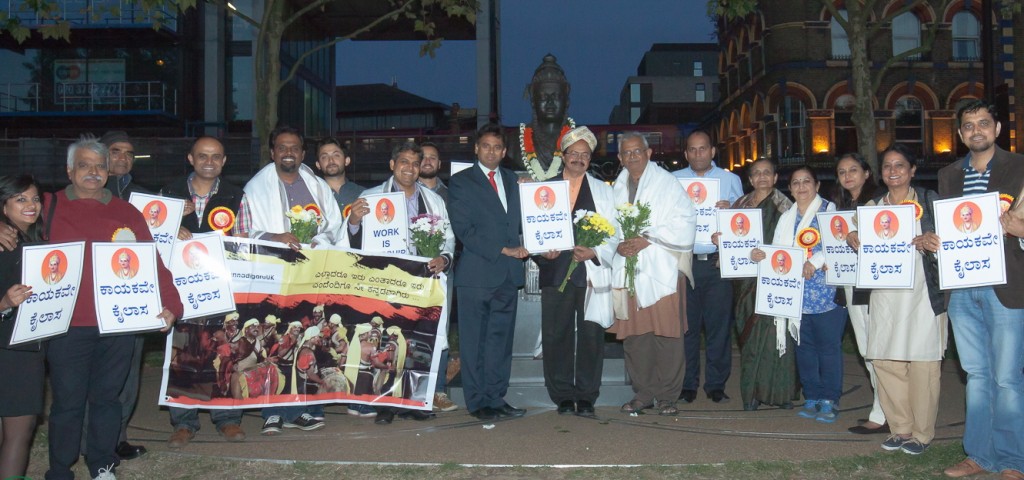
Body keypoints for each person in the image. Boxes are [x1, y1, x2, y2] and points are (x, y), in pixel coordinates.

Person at [45, 135, 181, 480]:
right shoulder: (47, 207)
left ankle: (102, 464)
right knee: (67, 403)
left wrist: (171, 303)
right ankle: (60, 469)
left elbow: (151, 261)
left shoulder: (126, 212)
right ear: (69, 170)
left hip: (118, 324)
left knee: (107, 399)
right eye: (84, 165)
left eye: (100, 166)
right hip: (67, 325)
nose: (93, 172)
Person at [933, 100, 1024, 479]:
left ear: (997, 129)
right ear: (960, 134)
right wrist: (933, 241)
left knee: (1007, 378)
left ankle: (1012, 461)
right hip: (961, 290)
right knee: (977, 376)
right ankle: (979, 455)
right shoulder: (948, 174)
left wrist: (1021, 230)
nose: (976, 131)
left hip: (1006, 288)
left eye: (983, 123)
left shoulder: (1019, 168)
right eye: (968, 126)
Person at [236, 125, 343, 434]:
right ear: (272, 152)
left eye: (294, 147)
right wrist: (275, 237)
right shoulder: (255, 189)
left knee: (310, 338)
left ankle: (307, 408)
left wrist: (317, 241)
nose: (288, 152)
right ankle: (273, 412)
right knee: (275, 344)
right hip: (273, 277)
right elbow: (241, 233)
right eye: (282, 147)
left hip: (311, 275)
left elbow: (335, 226)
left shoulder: (317, 186)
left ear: (302, 153)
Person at [337, 141, 454, 421]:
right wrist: (353, 221)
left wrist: (444, 258)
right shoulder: (371, 197)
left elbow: (448, 237)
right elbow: (350, 241)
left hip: (422, 284)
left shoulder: (434, 200)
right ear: (392, 165)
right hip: (385, 283)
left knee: (418, 344)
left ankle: (415, 402)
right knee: (388, 344)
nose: (410, 169)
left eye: (415, 163)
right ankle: (384, 404)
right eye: (404, 162)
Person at [842, 144, 946, 456]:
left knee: (922, 364)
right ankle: (900, 428)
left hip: (923, 294)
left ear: (912, 170)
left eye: (900, 165)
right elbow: (860, 241)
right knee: (885, 361)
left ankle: (922, 434)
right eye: (887, 166)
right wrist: (852, 237)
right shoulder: (873, 206)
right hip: (885, 295)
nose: (893, 171)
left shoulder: (929, 202)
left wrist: (934, 241)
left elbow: (955, 243)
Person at [161, 136, 247, 448]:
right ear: (191, 158)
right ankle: (184, 422)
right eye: (202, 156)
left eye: (215, 156)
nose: (209, 161)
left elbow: (244, 243)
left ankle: (227, 419)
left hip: (222, 289)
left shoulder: (237, 195)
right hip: (181, 290)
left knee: (224, 354)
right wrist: (170, 227)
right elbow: (151, 238)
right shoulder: (168, 193)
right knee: (183, 355)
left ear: (224, 161)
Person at [532, 126, 619, 417]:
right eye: (574, 153)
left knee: (592, 335)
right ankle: (562, 396)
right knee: (557, 335)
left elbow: (614, 232)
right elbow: (532, 229)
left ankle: (586, 395)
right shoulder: (544, 189)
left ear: (589, 158)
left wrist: (595, 252)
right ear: (563, 155)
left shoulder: (603, 192)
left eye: (585, 155)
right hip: (555, 271)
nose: (579, 159)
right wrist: (541, 249)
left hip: (591, 273)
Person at [751, 166, 846, 424]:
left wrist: (814, 262)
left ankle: (830, 398)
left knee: (828, 349)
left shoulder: (829, 210)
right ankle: (812, 396)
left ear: (816, 185)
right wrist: (761, 254)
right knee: (805, 350)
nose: (801, 187)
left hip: (826, 294)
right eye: (795, 183)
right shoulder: (787, 217)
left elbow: (834, 244)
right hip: (795, 295)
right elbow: (780, 252)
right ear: (790, 188)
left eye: (806, 181)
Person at [610, 131, 695, 416]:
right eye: (627, 153)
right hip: (630, 271)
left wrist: (649, 238)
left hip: (663, 271)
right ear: (620, 158)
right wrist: (618, 245)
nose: (633, 157)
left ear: (648, 154)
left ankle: (668, 396)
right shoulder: (617, 188)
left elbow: (685, 220)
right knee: (636, 335)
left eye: (638, 151)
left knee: (668, 334)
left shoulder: (667, 184)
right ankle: (643, 393)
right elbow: (609, 228)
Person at [448, 124, 530, 420]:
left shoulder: (514, 181)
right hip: (477, 275)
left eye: (497, 147)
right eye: (486, 146)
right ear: (476, 149)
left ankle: (496, 397)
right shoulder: (461, 182)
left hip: (508, 276)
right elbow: (464, 230)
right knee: (474, 342)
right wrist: (502, 249)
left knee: (500, 341)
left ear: (505, 152)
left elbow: (527, 222)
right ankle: (477, 401)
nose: (491, 151)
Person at [718, 159, 797, 411]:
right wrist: (718, 236)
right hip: (744, 283)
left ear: (775, 178)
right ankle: (751, 392)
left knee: (776, 335)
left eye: (767, 173)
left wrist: (769, 255)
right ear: (750, 180)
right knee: (749, 337)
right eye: (756, 174)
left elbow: (794, 245)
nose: (762, 177)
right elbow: (731, 239)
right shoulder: (739, 206)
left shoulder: (786, 207)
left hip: (776, 279)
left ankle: (779, 393)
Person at [674, 130, 743, 404]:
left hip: (717, 264)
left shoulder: (730, 180)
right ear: (686, 153)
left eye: (703, 149)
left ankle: (715, 384)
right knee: (687, 328)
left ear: (713, 151)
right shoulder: (674, 180)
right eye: (692, 149)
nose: (698, 154)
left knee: (718, 328)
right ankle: (687, 384)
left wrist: (731, 210)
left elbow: (743, 220)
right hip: (685, 264)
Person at [832, 152, 887, 435]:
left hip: (874, 285)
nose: (848, 176)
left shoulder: (878, 202)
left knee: (877, 349)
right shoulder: (841, 206)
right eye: (842, 171)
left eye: (854, 169)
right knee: (866, 348)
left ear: (867, 173)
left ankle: (883, 412)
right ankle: (884, 408)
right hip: (850, 284)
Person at [0, 175, 46, 480]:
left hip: (27, 343)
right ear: (4, 206)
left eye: (34, 199)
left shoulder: (37, 240)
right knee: (19, 429)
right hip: (12, 348)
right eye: (20, 199)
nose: (31, 205)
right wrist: (3, 303)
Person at [417, 141, 457, 412]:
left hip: (443, 272)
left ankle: (439, 391)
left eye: (433, 157)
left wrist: (446, 259)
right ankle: (413, 390)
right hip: (409, 275)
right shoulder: (401, 194)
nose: (428, 161)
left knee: (439, 329)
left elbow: (457, 235)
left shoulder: (452, 194)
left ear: (440, 164)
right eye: (423, 157)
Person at [511, 54, 574, 181]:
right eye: (544, 97)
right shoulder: (513, 142)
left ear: (566, 101)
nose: (550, 103)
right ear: (534, 101)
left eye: (556, 96)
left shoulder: (577, 140)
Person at [315, 137, 365, 213]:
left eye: (336, 155)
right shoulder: (312, 195)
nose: (331, 160)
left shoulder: (363, 194)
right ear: (318, 164)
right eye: (324, 157)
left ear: (347, 161)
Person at [101, 130, 151, 200]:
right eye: (115, 153)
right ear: (101, 156)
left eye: (128, 154)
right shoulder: (87, 190)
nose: (123, 158)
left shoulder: (142, 197)